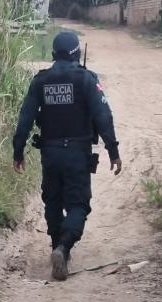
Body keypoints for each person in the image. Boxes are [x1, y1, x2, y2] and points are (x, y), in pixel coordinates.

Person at [12, 30, 123, 282]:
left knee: (52, 199)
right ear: (76, 53)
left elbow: (25, 118)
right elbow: (103, 117)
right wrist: (113, 151)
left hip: (50, 153)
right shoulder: (86, 79)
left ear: (53, 53)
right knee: (78, 204)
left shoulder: (40, 81)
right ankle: (63, 247)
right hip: (77, 152)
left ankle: (55, 246)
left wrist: (18, 150)